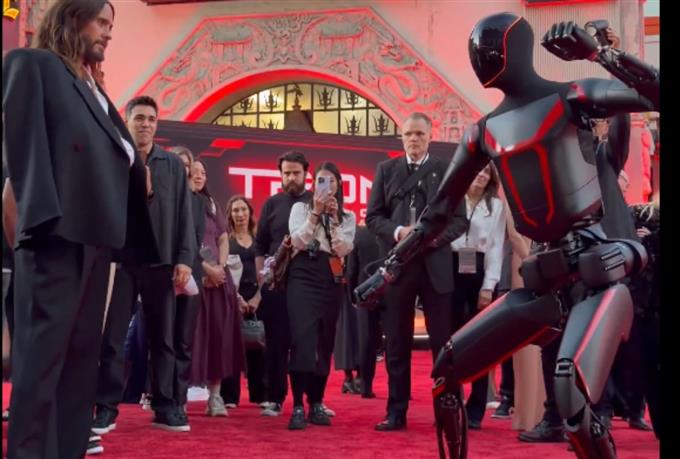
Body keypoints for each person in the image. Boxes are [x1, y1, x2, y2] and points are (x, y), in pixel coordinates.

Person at [356, 13, 658, 457]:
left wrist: (600, 54)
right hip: (544, 277)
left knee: (571, 391)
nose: (480, 56)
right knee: (447, 370)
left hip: (598, 266)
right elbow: (436, 214)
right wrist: (389, 267)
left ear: (513, 47)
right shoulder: (482, 132)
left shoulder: (571, 96)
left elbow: (652, 93)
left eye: (487, 46)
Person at [2, 1, 157, 457]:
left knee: (79, 368)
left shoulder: (93, 88)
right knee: (41, 366)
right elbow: (24, 148)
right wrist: (39, 223)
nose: (109, 33)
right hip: (54, 236)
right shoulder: (32, 64)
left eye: (112, 24)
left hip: (96, 241)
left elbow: (119, 155)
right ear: (72, 18)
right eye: (101, 22)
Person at [93, 95, 195, 434]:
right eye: (139, 118)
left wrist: (185, 259)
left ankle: (165, 406)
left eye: (151, 119)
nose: (146, 124)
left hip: (161, 261)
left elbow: (184, 215)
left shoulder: (173, 164)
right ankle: (106, 408)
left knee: (162, 338)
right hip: (121, 260)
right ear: (127, 121)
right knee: (113, 338)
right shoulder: (114, 157)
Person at [365, 112, 469, 431]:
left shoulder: (446, 170)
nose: (414, 139)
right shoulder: (386, 170)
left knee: (442, 344)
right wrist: (400, 233)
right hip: (399, 266)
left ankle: (447, 411)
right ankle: (396, 411)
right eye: (409, 133)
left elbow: (459, 220)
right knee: (397, 342)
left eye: (420, 134)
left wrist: (430, 238)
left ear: (429, 136)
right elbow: (373, 217)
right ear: (401, 137)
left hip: (435, 265)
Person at [286, 162, 356, 429]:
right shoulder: (300, 209)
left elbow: (343, 249)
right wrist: (315, 213)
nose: (326, 186)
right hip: (303, 274)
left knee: (325, 342)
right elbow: (298, 241)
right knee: (303, 339)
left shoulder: (347, 217)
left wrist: (334, 220)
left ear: (339, 185)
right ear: (313, 184)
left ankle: (316, 401)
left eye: (331, 181)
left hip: (331, 277)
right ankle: (297, 405)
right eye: (321, 181)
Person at [254, 151, 313, 417]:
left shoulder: (315, 203)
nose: (291, 178)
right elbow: (260, 245)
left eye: (296, 173)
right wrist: (262, 276)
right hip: (276, 285)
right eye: (286, 173)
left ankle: (313, 400)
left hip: (308, 283)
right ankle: (275, 398)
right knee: (276, 343)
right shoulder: (271, 204)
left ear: (305, 174)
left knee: (305, 343)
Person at [449, 163, 506, 430]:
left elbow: (496, 247)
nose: (481, 175)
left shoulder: (496, 206)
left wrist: (488, 285)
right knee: (450, 340)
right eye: (477, 171)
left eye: (486, 173)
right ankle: (450, 400)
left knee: (479, 340)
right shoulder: (453, 200)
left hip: (478, 271)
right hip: (450, 267)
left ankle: (476, 407)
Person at [189, 160, 245, 417]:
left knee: (219, 337)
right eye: (194, 172)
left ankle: (215, 396)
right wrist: (205, 270)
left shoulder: (211, 204)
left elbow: (222, 238)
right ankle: (177, 397)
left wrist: (220, 268)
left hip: (219, 282)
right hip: (191, 278)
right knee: (190, 338)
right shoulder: (180, 203)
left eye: (203, 172)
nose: (199, 176)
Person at [167, 146, 206, 416]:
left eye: (186, 165)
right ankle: (159, 396)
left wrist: (187, 266)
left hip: (190, 276)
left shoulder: (197, 202)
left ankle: (178, 400)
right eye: (178, 164)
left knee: (183, 341)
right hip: (161, 274)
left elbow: (196, 240)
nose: (183, 170)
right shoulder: (158, 195)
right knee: (162, 340)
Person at [220, 195, 267, 408]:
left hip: (258, 298)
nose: (240, 214)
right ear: (230, 215)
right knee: (230, 347)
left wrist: (257, 297)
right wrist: (237, 298)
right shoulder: (226, 242)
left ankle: (261, 395)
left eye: (243, 210)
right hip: (233, 299)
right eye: (236, 211)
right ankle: (229, 397)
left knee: (259, 345)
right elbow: (224, 271)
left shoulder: (259, 241)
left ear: (250, 212)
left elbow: (268, 271)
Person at [347, 223, 385, 399]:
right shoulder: (395, 232)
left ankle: (365, 386)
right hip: (391, 291)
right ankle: (399, 388)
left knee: (366, 341)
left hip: (365, 293)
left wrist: (352, 296)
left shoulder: (360, 235)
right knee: (395, 340)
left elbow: (351, 270)